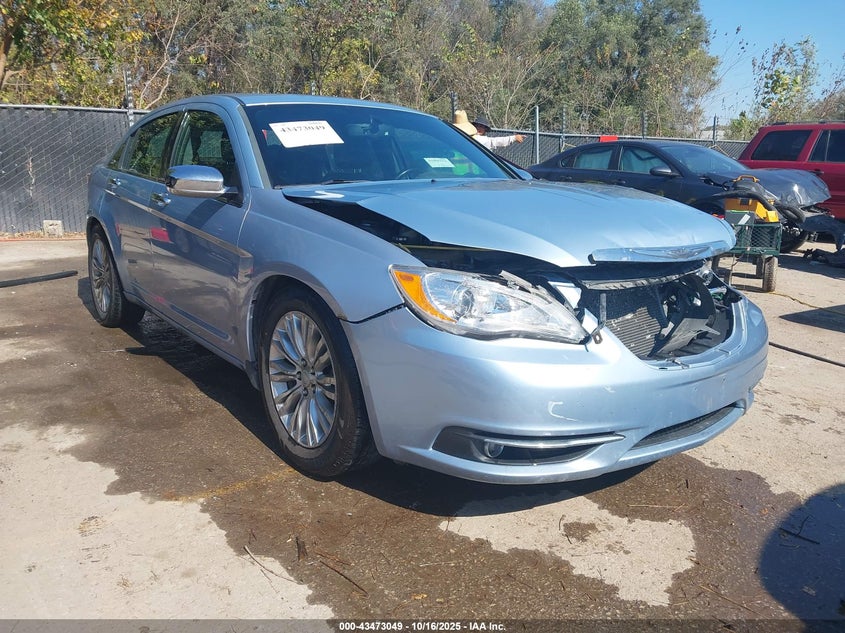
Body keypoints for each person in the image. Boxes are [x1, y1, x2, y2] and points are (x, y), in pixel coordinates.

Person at [451, 110, 525, 149]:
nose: (479, 128)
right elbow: (495, 141)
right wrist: (514, 138)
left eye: (482, 126)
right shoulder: (478, 140)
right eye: (478, 126)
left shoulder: (450, 139)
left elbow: (494, 141)